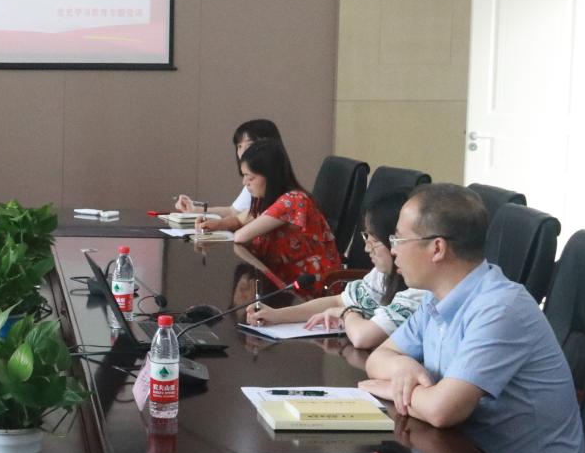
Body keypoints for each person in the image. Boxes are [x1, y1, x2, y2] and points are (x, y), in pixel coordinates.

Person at [362, 183, 585, 453]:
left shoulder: (501, 308)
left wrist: (394, 389)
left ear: (437, 248)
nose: (393, 250)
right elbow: (378, 359)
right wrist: (404, 367)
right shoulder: (435, 298)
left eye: (399, 239)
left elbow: (442, 411)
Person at [246, 192, 426, 350]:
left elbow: (362, 338)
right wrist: (277, 315)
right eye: (367, 238)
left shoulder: (419, 291)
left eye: (375, 241)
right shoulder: (383, 275)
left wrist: (347, 313)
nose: (367, 248)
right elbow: (338, 301)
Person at [228, 138, 344, 287]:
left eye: (250, 177)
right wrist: (213, 224)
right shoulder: (266, 199)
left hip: (310, 285)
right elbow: (240, 219)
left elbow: (240, 236)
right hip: (284, 280)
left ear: (270, 176)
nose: (245, 183)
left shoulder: (292, 201)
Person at [175, 118, 282, 231]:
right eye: (239, 146)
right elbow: (234, 212)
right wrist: (195, 210)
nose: (243, 152)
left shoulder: (283, 196)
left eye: (250, 145)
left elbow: (240, 228)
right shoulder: (255, 184)